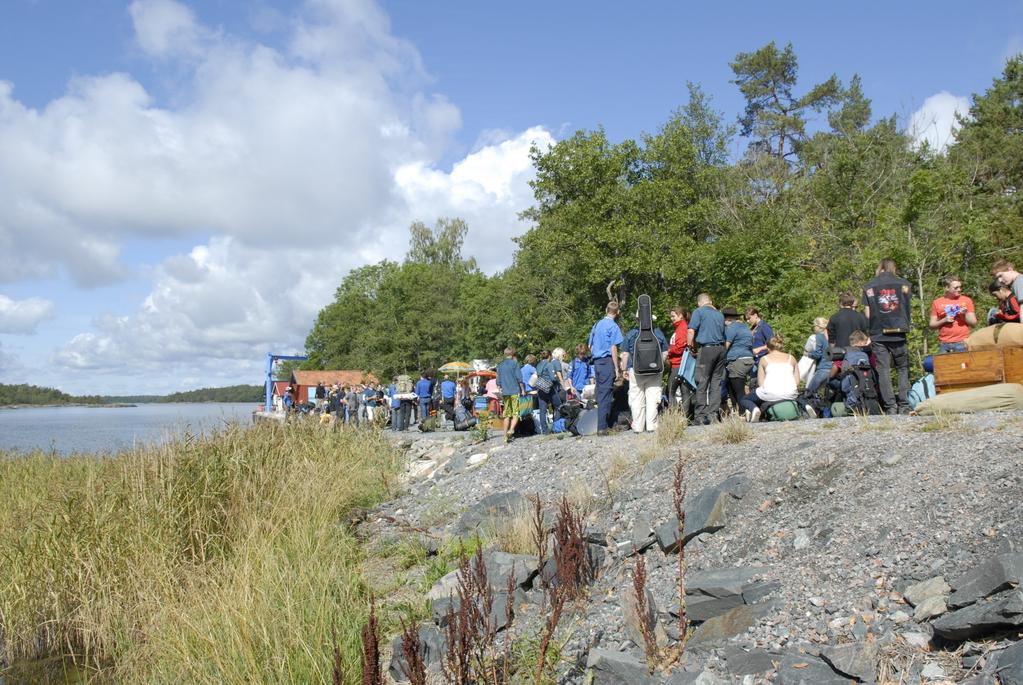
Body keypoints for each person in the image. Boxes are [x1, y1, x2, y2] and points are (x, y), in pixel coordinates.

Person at [862, 258, 913, 414]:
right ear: (893, 268)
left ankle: (891, 406)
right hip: (899, 332)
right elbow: (907, 307)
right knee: (902, 368)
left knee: (884, 370)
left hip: (879, 333)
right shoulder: (904, 285)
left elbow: (868, 313)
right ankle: (904, 404)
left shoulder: (870, 286)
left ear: (881, 268)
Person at [739, 336, 814, 422]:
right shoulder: (791, 358)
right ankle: (806, 406)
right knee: (798, 395)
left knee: (745, 399)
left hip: (770, 392)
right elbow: (797, 382)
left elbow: (761, 383)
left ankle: (754, 409)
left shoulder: (764, 359)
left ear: (767, 347)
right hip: (790, 393)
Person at [620, 305, 669, 433]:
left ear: (637, 320)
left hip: (636, 371)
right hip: (655, 371)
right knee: (653, 398)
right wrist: (659, 365)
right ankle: (652, 426)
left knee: (636, 398)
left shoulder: (631, 334)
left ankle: (638, 426)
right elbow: (665, 353)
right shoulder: (658, 333)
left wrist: (624, 369)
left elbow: (625, 354)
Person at [688, 294, 727, 425]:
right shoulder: (719, 314)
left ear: (699, 302)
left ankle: (700, 416)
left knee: (702, 381)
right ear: (710, 301)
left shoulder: (698, 312)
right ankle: (713, 415)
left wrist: (690, 347)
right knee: (716, 383)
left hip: (706, 350)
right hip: (720, 350)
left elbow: (691, 331)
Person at [588, 301, 624, 435]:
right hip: (607, 361)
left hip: (597, 362)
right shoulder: (613, 327)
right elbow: (613, 348)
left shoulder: (596, 324)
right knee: (605, 394)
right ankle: (602, 427)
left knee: (602, 392)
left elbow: (590, 346)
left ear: (606, 310)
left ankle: (605, 424)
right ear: (617, 312)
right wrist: (616, 367)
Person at [929, 275, 977, 353]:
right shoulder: (937, 302)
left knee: (964, 365)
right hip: (944, 344)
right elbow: (931, 325)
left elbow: (974, 323)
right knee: (945, 365)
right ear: (947, 288)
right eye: (956, 288)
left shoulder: (967, 300)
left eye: (960, 287)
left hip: (963, 342)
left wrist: (963, 315)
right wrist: (944, 320)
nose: (959, 289)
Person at [722, 306, 754, 415]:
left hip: (737, 361)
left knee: (739, 391)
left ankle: (743, 413)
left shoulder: (731, 328)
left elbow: (726, 346)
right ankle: (739, 411)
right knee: (734, 386)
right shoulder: (744, 327)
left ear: (727, 319)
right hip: (748, 359)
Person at [495, 347, 525, 442]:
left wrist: (499, 389)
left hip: (505, 393)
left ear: (505, 354)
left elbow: (498, 382)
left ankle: (504, 436)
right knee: (515, 412)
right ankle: (511, 429)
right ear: (512, 354)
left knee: (506, 414)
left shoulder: (500, 365)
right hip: (514, 391)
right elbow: (519, 378)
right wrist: (523, 390)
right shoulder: (515, 363)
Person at [666, 306, 692, 413]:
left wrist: (669, 351)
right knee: (685, 391)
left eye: (673, 316)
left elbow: (680, 347)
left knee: (670, 391)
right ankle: (686, 417)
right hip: (683, 365)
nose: (671, 318)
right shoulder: (681, 327)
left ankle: (673, 416)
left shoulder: (681, 328)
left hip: (678, 365)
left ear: (680, 316)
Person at [535, 349, 565, 434]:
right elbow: (552, 378)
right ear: (550, 356)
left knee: (543, 410)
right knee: (558, 406)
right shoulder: (549, 364)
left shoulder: (539, 364)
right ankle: (556, 426)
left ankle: (545, 430)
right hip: (549, 388)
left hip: (540, 388)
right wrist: (557, 380)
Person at [803, 317, 834, 397]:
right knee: (827, 395)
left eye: (814, 326)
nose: (813, 328)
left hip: (823, 368)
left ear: (819, 327)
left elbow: (818, 354)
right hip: (834, 369)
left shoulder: (819, 336)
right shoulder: (833, 335)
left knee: (808, 393)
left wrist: (807, 354)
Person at [745, 307, 775, 390]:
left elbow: (773, 343)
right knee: (753, 384)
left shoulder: (764, 326)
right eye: (746, 319)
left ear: (755, 315)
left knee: (761, 384)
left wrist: (759, 349)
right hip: (754, 359)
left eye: (749, 318)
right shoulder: (753, 328)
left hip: (763, 358)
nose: (748, 321)